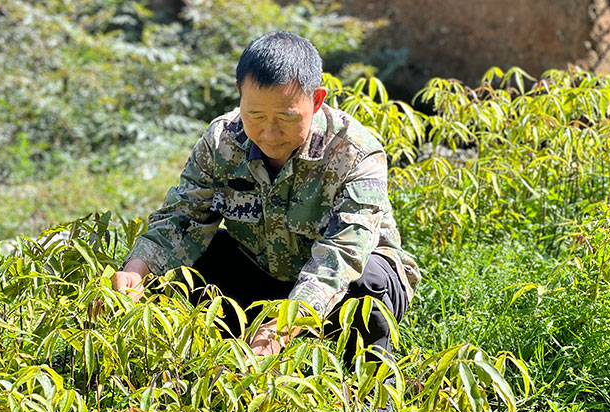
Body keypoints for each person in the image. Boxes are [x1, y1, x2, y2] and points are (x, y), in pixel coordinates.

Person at [112, 31, 420, 364]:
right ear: (239, 95)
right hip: (263, 275)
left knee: (370, 279)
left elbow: (343, 256)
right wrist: (135, 272)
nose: (269, 133)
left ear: (316, 101)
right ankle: (198, 364)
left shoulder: (356, 153)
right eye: (255, 116)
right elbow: (182, 219)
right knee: (186, 267)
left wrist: (286, 325)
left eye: (287, 117)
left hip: (337, 288)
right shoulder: (221, 141)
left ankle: (372, 387)